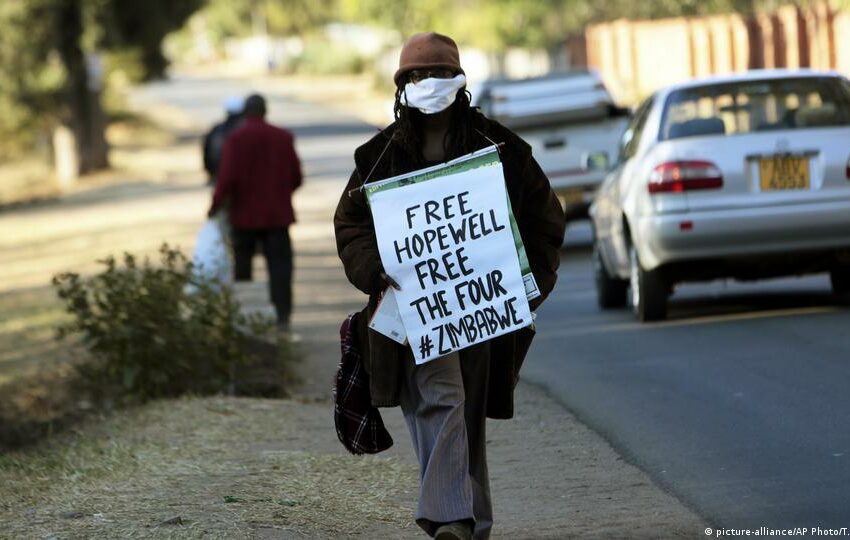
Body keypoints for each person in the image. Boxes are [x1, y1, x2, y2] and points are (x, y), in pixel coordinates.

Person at [334, 32, 565, 540]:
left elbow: (544, 220)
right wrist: (374, 271)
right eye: (417, 76)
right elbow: (350, 228)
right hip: (412, 313)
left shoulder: (501, 149)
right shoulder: (377, 158)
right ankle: (450, 520)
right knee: (443, 401)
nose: (429, 84)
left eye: (439, 74)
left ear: (460, 83)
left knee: (463, 415)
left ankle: (471, 521)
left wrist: (527, 285)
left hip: (482, 316)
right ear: (401, 87)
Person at [209, 93, 303, 331]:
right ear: (265, 111)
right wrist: (280, 193)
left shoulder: (235, 139)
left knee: (243, 270)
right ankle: (282, 319)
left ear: (246, 112)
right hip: (277, 216)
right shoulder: (283, 137)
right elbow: (296, 177)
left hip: (243, 218)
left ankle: (245, 319)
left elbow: (226, 179)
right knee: (280, 269)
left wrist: (214, 207)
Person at [203, 96, 244, 185]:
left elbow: (207, 152)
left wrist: (211, 173)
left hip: (221, 176)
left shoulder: (217, 129)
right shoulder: (246, 130)